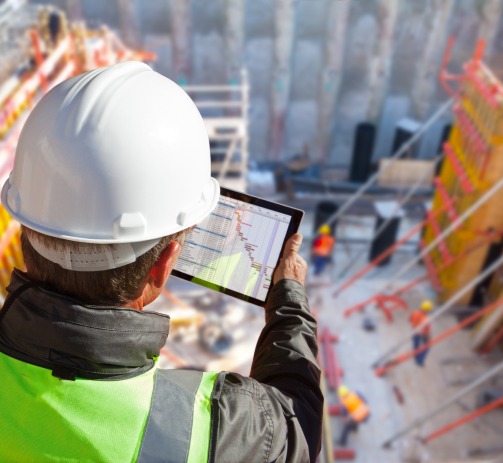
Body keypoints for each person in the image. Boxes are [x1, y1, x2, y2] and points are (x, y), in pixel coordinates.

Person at [0, 62, 323, 462]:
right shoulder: (217, 426)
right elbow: (297, 424)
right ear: (163, 261)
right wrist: (289, 300)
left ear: (25, 227)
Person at [409, 299, 433, 367]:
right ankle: (420, 361)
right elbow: (427, 328)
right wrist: (429, 336)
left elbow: (410, 319)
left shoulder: (415, 312)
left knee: (416, 346)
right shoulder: (425, 318)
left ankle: (416, 358)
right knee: (427, 347)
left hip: (414, 331)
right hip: (423, 333)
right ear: (427, 309)